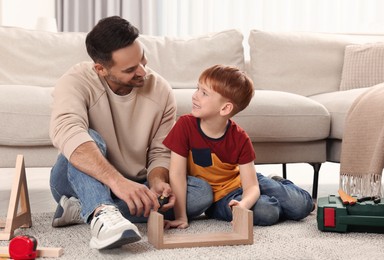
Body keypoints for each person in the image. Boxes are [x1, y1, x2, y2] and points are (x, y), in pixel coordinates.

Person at [49, 16, 212, 250]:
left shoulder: (161, 90)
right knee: (88, 138)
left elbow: (160, 151)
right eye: (130, 69)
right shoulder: (75, 81)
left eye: (143, 60)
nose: (143, 72)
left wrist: (156, 181)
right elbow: (68, 131)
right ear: (101, 69)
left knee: (201, 194)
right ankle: (102, 213)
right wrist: (118, 183)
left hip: (135, 181)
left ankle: (82, 209)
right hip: (73, 178)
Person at [163, 64, 314, 229]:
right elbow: (176, 174)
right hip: (219, 199)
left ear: (225, 108)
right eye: (197, 89)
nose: (195, 96)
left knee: (302, 206)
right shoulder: (185, 125)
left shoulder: (240, 138)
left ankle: (279, 183)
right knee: (268, 212)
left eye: (204, 93)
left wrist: (245, 203)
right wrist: (181, 217)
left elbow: (251, 186)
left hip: (244, 181)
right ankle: (275, 203)